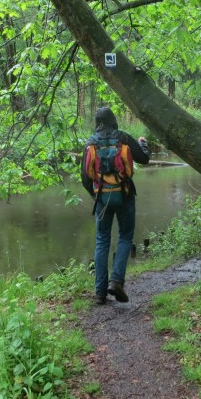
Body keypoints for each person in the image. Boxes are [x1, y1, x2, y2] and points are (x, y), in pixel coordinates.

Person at [81, 107, 149, 304]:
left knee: (102, 240)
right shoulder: (123, 138)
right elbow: (143, 159)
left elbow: (85, 178)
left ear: (97, 122)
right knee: (125, 236)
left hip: (102, 197)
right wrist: (143, 144)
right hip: (125, 194)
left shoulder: (90, 143)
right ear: (113, 120)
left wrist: (96, 196)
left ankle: (100, 292)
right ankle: (116, 281)